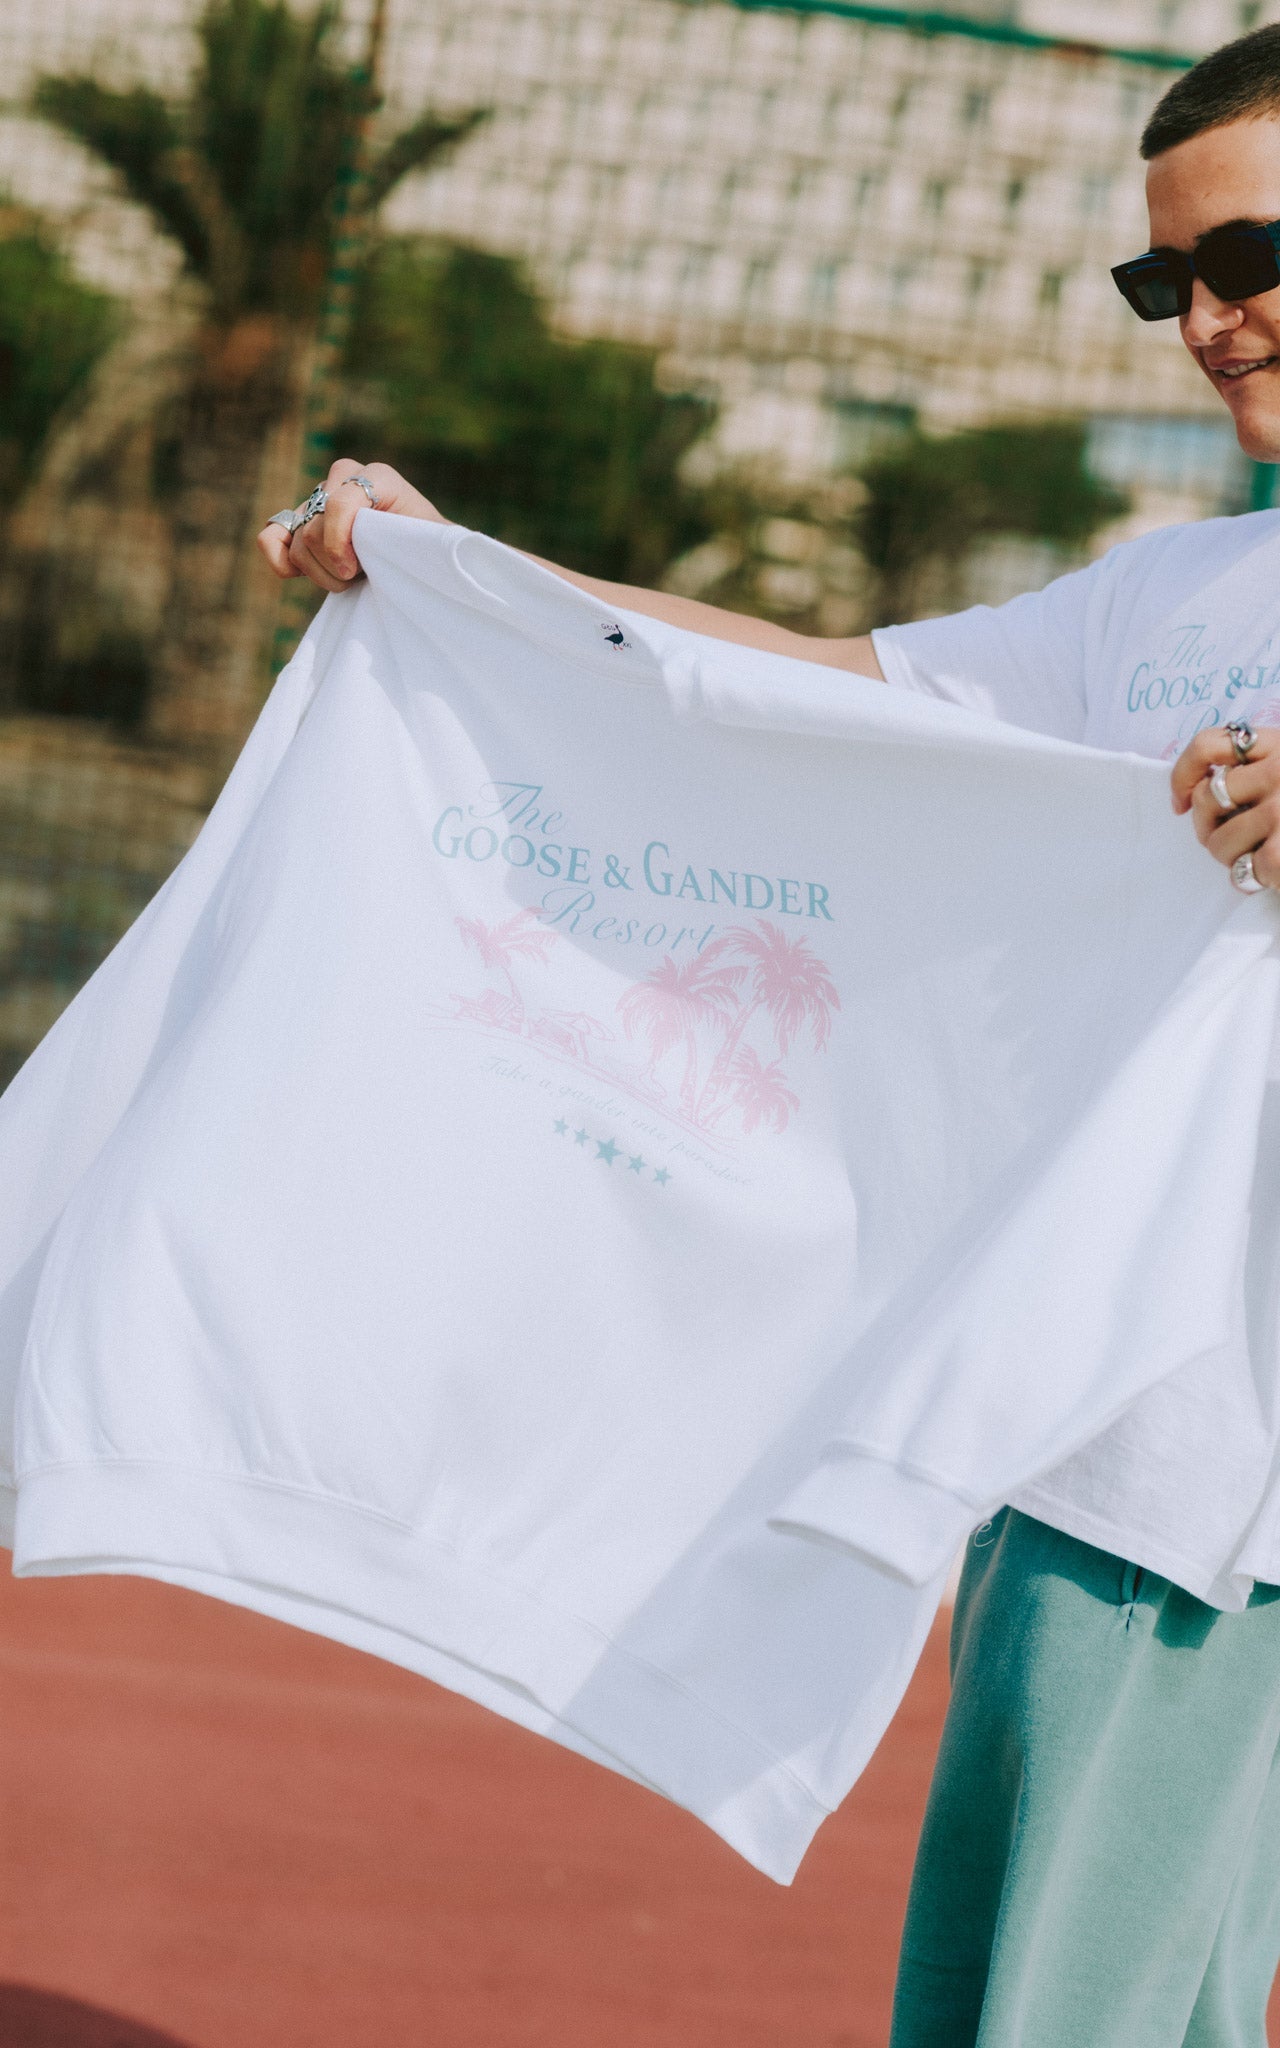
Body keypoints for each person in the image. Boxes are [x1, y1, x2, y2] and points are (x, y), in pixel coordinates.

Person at [259, 27, 1280, 2043]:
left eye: (1248, 253)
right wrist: (454, 571)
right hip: (1141, 1440)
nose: (1206, 320)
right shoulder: (1170, 593)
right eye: (1162, 278)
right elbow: (813, 688)